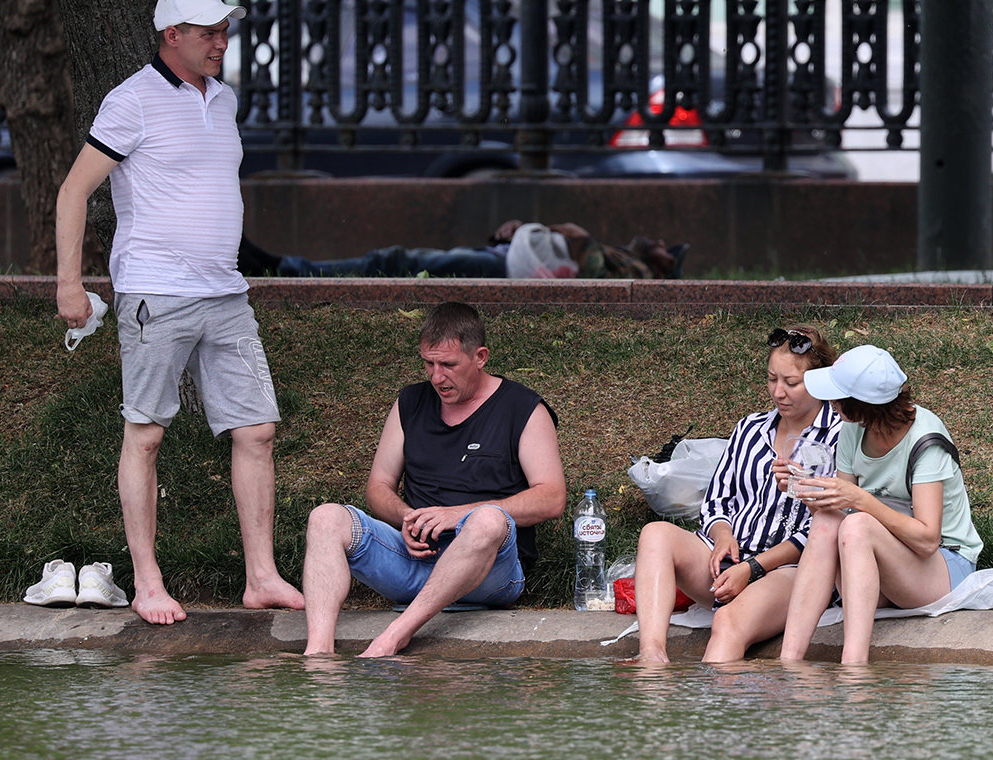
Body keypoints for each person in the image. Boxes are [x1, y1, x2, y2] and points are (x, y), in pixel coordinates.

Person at [54, 0, 304, 625]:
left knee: (256, 430)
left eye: (225, 29)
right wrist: (68, 284)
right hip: (155, 294)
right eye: (208, 32)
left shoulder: (223, 100)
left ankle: (261, 577)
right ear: (172, 37)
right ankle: (147, 584)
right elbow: (74, 191)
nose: (222, 42)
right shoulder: (131, 100)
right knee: (146, 434)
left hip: (227, 293)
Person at [301, 302, 567, 657]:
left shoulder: (523, 408)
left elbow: (551, 498)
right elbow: (378, 487)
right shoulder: (410, 401)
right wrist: (407, 519)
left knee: (487, 520)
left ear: (481, 357)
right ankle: (318, 655)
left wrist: (458, 515)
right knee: (325, 518)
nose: (437, 377)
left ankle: (395, 635)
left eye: (449, 365)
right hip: (413, 560)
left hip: (488, 572)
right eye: (429, 363)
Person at [632, 326, 842, 663]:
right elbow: (716, 500)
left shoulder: (837, 437)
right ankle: (652, 654)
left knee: (727, 622)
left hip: (788, 569)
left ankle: (720, 713)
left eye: (791, 383)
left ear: (819, 381)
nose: (779, 392)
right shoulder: (749, 428)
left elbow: (823, 530)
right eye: (772, 379)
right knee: (655, 534)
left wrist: (753, 568)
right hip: (727, 562)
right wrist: (723, 535)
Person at [778, 345, 983, 665]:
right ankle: (789, 662)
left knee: (857, 525)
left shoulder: (925, 441)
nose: (830, 403)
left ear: (860, 406)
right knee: (826, 522)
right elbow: (838, 511)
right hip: (882, 569)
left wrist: (861, 500)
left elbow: (928, 540)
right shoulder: (852, 429)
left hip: (942, 568)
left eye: (837, 396)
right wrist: (805, 491)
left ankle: (853, 665)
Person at [236, 221, 688, 279]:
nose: (660, 241)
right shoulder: (627, 250)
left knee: (400, 262)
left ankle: (288, 270)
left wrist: (580, 236)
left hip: (508, 274)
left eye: (669, 250)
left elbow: (592, 278)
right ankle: (283, 266)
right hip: (507, 259)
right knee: (402, 258)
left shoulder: (644, 275)